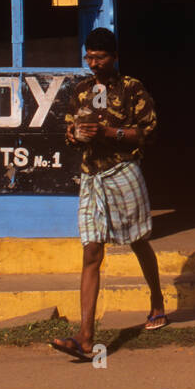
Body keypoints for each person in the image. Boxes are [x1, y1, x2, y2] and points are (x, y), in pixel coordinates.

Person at [50, 27, 166, 360]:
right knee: (91, 253)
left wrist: (109, 131)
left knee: (138, 240)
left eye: (99, 57)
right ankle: (85, 337)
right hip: (91, 177)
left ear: (113, 57)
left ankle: (157, 302)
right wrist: (77, 134)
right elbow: (69, 132)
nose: (93, 63)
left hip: (123, 172)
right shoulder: (81, 90)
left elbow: (148, 133)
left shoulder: (132, 88)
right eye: (89, 57)